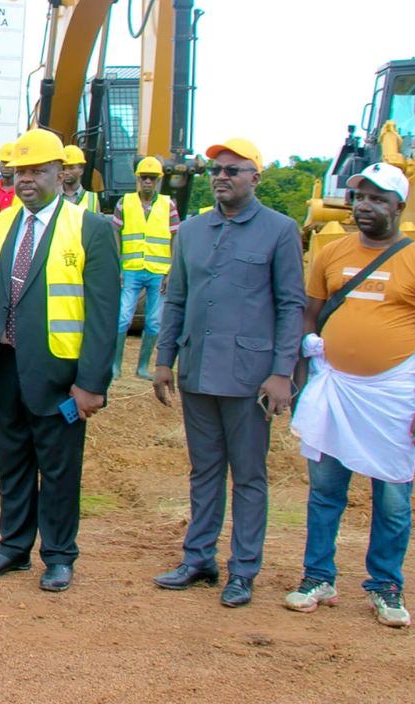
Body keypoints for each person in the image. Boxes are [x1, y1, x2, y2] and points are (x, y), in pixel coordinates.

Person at [285, 163, 415, 627]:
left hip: (392, 397)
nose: (365, 206)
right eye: (359, 197)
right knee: (325, 490)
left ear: (398, 206)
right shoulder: (331, 254)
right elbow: (309, 317)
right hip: (335, 390)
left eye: (377, 198)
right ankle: (318, 576)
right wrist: (301, 379)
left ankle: (385, 585)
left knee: (393, 497)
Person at [0, 128, 120, 592]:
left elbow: (102, 314)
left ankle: (58, 555)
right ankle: (13, 547)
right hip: (4, 367)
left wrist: (91, 382)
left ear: (61, 173)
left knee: (57, 469)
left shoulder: (91, 228)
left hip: (60, 375)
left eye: (37, 171)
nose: (26, 180)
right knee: (11, 463)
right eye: (20, 172)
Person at [151, 137, 305, 608]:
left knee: (250, 476)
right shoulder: (193, 231)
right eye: (216, 169)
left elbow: (290, 305)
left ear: (255, 178)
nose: (221, 176)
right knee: (204, 470)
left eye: (233, 170)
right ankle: (199, 559)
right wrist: (163, 359)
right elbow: (175, 298)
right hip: (198, 370)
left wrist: (283, 373)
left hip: (250, 378)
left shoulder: (279, 230)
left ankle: (243, 570)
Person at [114, 156, 179, 379]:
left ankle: (142, 368)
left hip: (158, 271)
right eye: (144, 178)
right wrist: (118, 264)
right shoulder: (124, 203)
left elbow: (174, 236)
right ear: (138, 179)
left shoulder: (168, 205)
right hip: (131, 268)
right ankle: (116, 366)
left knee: (153, 320)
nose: (148, 182)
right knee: (123, 317)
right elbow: (117, 232)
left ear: (159, 180)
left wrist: (171, 270)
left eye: (152, 178)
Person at [60, 145, 99, 213]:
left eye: (72, 168)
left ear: (81, 171)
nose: (66, 172)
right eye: (63, 168)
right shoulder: (52, 197)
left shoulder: (91, 199)